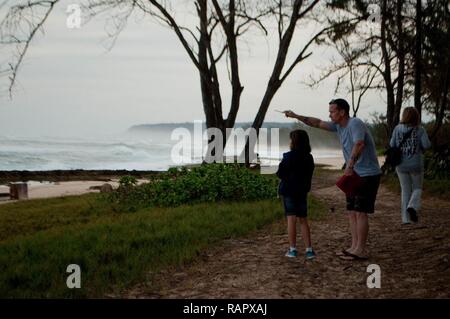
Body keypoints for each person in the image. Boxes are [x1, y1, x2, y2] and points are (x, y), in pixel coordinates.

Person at [283, 98, 381, 260]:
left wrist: (349, 165)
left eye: (332, 111)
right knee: (351, 212)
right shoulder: (338, 126)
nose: (330, 115)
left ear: (342, 112)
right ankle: (354, 247)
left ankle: (361, 250)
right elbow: (316, 123)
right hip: (354, 174)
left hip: (367, 174)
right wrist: (296, 116)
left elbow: (359, 144)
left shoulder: (354, 123)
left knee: (360, 212)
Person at [276, 129, 316, 260]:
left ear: (293, 142)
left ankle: (292, 249)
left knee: (291, 220)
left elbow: (280, 173)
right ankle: (309, 250)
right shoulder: (309, 157)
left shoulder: (288, 156)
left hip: (289, 191)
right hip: (302, 191)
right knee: (303, 220)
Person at [389, 107, 431, 224]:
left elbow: (392, 144)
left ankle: (405, 219)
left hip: (401, 165)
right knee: (417, 188)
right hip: (416, 165)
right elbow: (427, 145)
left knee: (405, 190)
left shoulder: (397, 129)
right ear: (416, 117)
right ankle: (412, 206)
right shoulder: (420, 129)